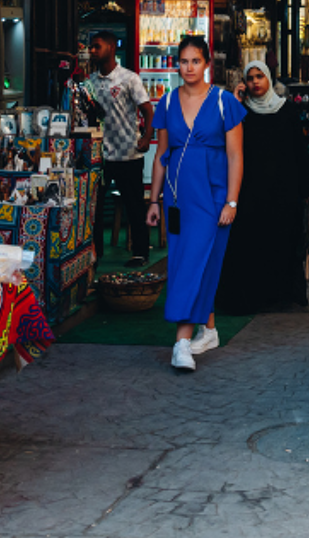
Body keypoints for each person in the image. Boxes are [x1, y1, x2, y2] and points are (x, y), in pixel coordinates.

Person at [148, 36, 246, 371]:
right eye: (184, 61)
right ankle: (210, 330)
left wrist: (231, 200)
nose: (189, 68)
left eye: (195, 61)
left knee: (193, 261)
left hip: (213, 194)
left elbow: (236, 156)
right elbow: (161, 156)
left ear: (207, 64)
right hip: (177, 197)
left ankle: (181, 342)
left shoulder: (224, 102)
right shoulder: (167, 102)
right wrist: (153, 199)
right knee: (189, 260)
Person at [216, 62, 309, 313]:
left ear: (269, 78)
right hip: (251, 191)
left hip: (283, 191)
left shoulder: (286, 110)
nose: (255, 82)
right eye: (250, 78)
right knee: (252, 243)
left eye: (260, 76)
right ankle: (255, 295)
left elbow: (299, 151)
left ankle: (280, 295)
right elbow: (228, 143)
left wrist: (305, 188)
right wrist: (236, 102)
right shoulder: (242, 113)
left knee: (281, 241)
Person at [83, 31, 156, 267]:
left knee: (134, 205)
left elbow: (147, 110)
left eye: (97, 46)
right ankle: (96, 253)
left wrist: (147, 136)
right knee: (94, 206)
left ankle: (141, 252)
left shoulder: (129, 78)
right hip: (100, 156)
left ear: (112, 48)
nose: (92, 51)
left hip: (128, 153)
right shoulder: (89, 83)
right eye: (91, 47)